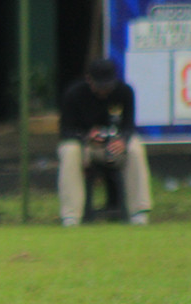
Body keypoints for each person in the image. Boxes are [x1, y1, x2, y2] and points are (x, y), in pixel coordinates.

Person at [57, 58, 152, 227]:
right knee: (69, 150)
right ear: (89, 79)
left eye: (108, 86)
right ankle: (71, 216)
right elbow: (65, 131)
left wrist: (122, 140)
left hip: (113, 147)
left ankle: (139, 212)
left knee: (135, 148)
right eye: (100, 86)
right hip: (85, 147)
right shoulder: (74, 94)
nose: (104, 91)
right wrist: (87, 136)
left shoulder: (124, 92)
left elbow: (129, 126)